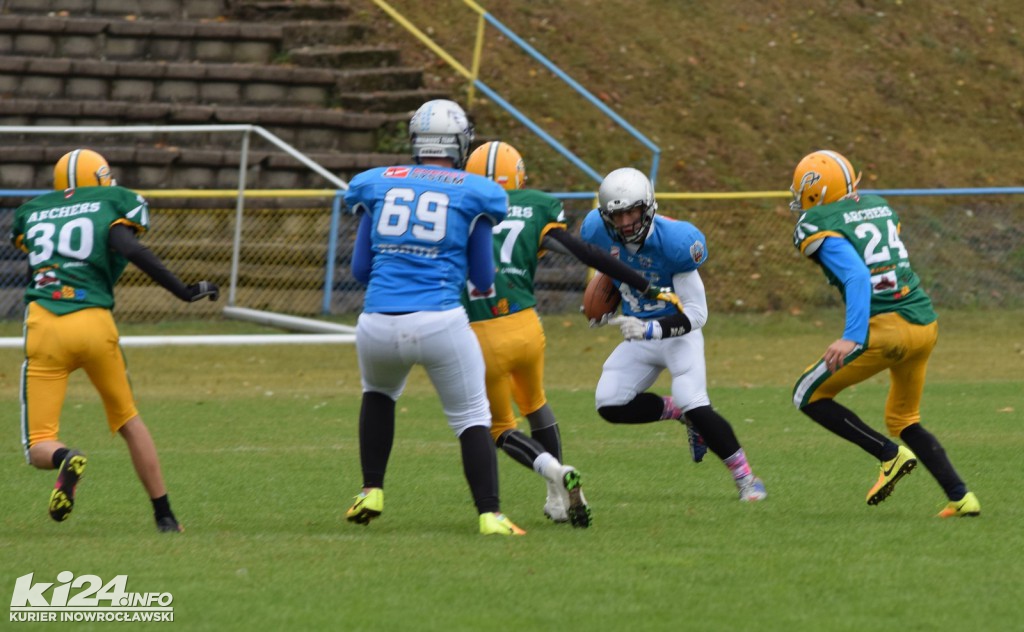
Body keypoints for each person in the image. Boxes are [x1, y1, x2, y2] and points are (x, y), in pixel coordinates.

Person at [463, 141, 682, 528]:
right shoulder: (535, 206)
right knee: (535, 403)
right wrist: (645, 286)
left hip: (482, 331)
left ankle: (555, 473)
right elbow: (586, 254)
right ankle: (557, 501)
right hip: (528, 329)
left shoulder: (459, 209)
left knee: (500, 428)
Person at [11, 148, 221, 533]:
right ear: (102, 178)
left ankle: (65, 457)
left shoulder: (33, 211)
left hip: (44, 324)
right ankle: (165, 516)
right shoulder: (111, 202)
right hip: (94, 323)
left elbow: (38, 267)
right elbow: (132, 249)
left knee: (39, 441)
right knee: (128, 419)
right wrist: (184, 291)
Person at [342, 100, 525, 536]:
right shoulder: (473, 191)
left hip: (377, 323)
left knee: (379, 394)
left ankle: (371, 490)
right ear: (461, 143)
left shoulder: (378, 184)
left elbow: (360, 271)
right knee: (471, 416)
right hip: (438, 319)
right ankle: (489, 514)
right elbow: (482, 277)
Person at [789, 149, 980, 517]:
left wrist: (852, 335)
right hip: (924, 325)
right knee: (904, 419)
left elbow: (857, 275)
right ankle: (961, 498)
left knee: (806, 394)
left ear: (814, 193)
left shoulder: (815, 223)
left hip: (885, 331)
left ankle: (888, 456)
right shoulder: (877, 205)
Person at [580, 167, 767, 502]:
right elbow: (611, 270)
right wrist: (603, 306)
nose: (625, 223)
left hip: (676, 334)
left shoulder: (677, 242)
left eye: (631, 212)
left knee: (693, 400)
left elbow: (697, 314)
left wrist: (650, 328)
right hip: (638, 336)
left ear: (647, 207)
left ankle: (747, 479)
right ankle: (677, 414)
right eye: (617, 215)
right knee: (609, 402)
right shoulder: (597, 231)